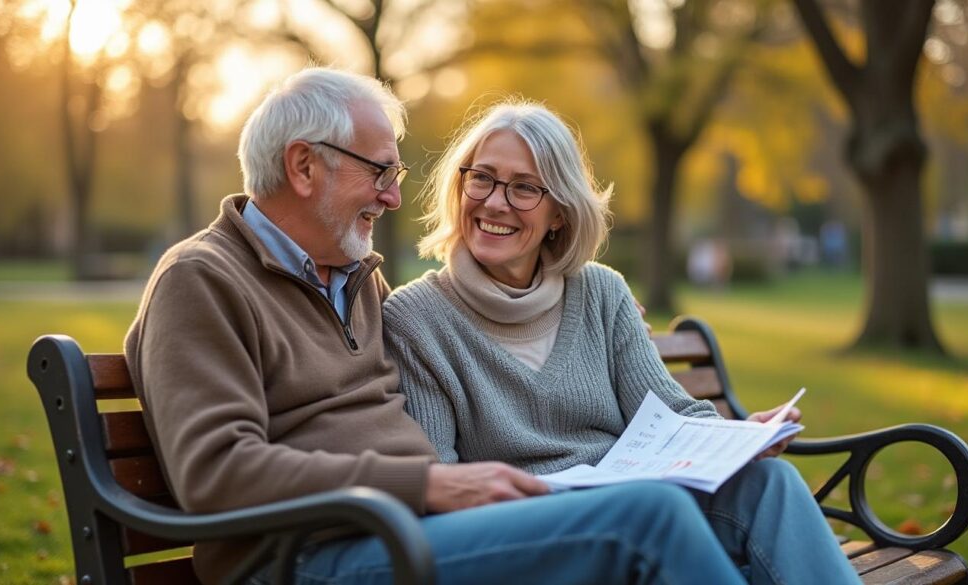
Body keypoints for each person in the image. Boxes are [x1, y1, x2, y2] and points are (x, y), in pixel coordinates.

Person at [124, 67, 748, 585]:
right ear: (304, 167)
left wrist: (591, 310)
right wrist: (424, 484)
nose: (393, 197)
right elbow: (217, 471)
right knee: (647, 518)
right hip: (311, 556)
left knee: (747, 489)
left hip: (412, 532)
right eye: (380, 172)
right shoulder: (200, 279)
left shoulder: (355, 281)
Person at [382, 100, 862, 584]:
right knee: (655, 509)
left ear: (559, 214)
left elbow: (671, 413)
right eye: (482, 178)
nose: (494, 202)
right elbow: (443, 481)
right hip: (538, 536)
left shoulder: (601, 291)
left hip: (646, 509)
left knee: (771, 482)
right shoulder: (416, 318)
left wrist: (738, 438)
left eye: (524, 187)